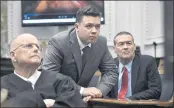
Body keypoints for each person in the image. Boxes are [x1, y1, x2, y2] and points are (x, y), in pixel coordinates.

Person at [42, 5, 118, 99]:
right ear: (77, 27)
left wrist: (99, 91)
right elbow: (49, 76)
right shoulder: (58, 42)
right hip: (57, 98)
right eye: (89, 26)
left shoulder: (101, 42)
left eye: (97, 26)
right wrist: (82, 90)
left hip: (84, 100)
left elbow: (111, 71)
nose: (94, 31)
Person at [0, 33, 85, 107]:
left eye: (38, 47)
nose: (36, 49)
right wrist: (44, 103)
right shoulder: (2, 86)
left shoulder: (62, 82)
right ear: (13, 55)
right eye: (28, 46)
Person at [108, 31, 162, 100]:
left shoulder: (148, 62)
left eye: (129, 43)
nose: (125, 47)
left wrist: (128, 100)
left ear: (134, 46)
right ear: (114, 49)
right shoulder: (110, 65)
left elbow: (155, 90)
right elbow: (104, 91)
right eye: (121, 44)